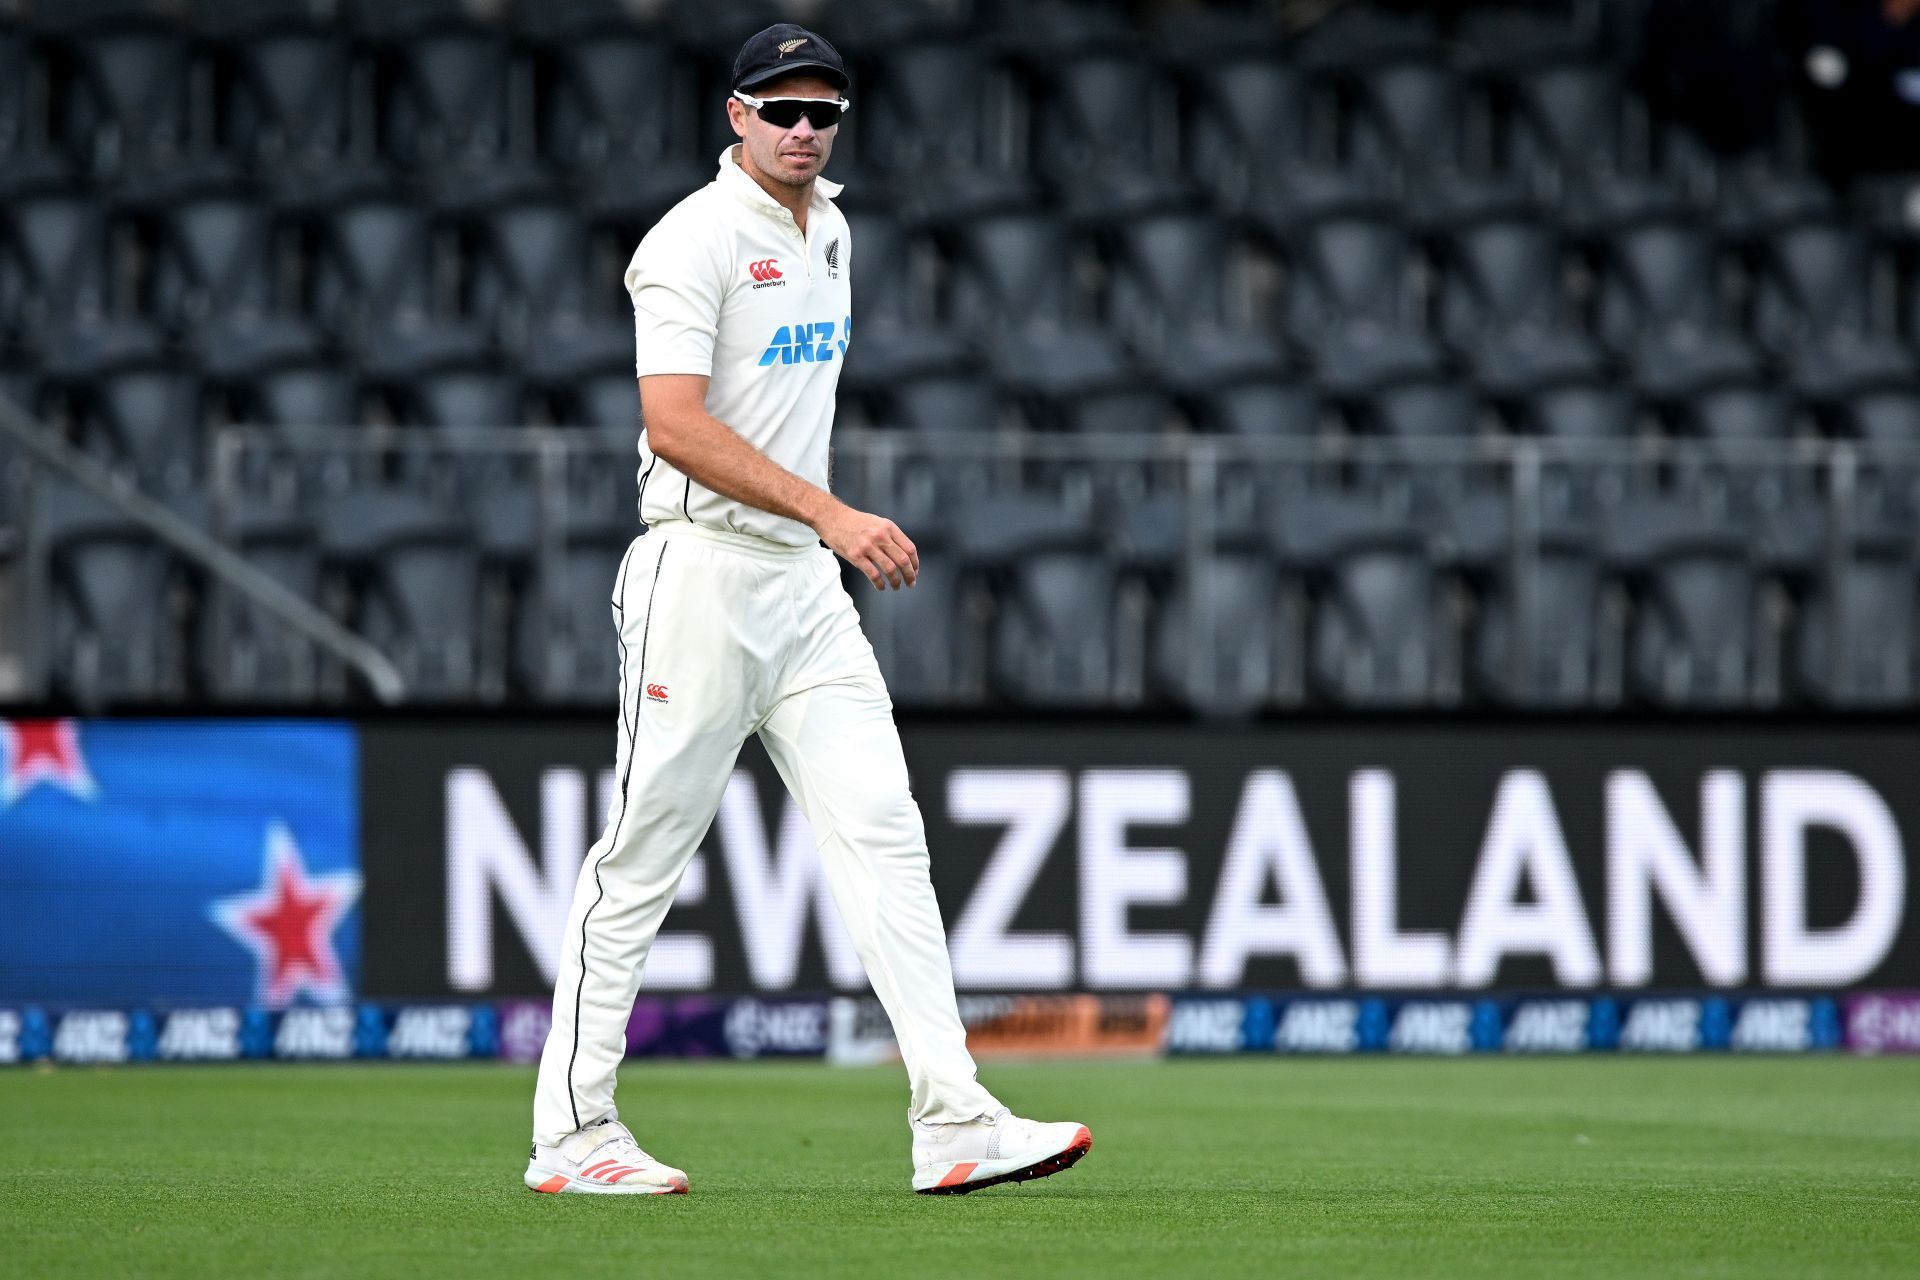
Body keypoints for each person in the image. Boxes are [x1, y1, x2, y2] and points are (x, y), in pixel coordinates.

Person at [523, 23, 1092, 1197]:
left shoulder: (830, 227)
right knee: (641, 856)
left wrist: (815, 532)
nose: (800, 129)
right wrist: (829, 511)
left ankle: (954, 1118)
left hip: (803, 589)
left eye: (820, 111)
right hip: (700, 574)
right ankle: (573, 1136)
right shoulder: (688, 240)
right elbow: (672, 423)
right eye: (777, 108)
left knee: (887, 833)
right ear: (733, 116)